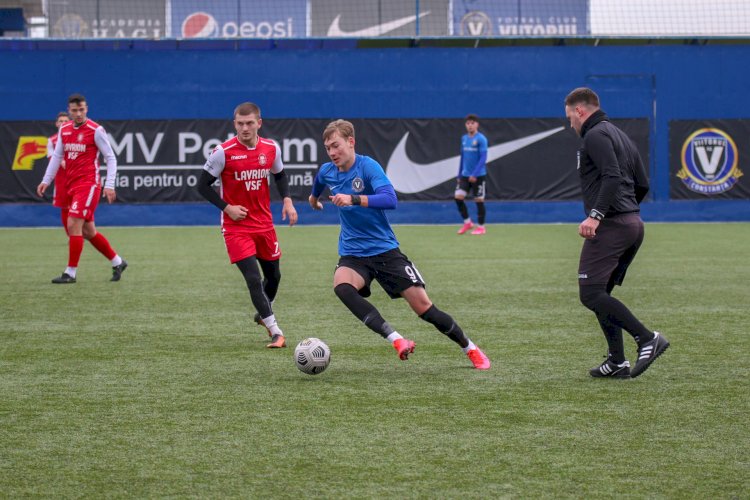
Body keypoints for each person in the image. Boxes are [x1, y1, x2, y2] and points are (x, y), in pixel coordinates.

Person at [309, 119, 490, 369]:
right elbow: (317, 185)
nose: (332, 152)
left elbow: (390, 199)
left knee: (424, 308)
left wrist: (353, 198)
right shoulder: (327, 170)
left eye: (336, 145)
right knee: (342, 286)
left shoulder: (368, 166)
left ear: (351, 142)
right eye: (328, 148)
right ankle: (396, 339)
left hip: (385, 251)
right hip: (353, 253)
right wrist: (313, 200)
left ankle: (469, 347)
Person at [564, 87, 669, 379]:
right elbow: (642, 183)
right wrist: (627, 212)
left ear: (580, 111)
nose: (570, 123)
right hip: (631, 223)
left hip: (612, 225)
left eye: (570, 116)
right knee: (601, 293)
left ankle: (647, 338)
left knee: (590, 294)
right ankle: (617, 361)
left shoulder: (595, 135)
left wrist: (597, 216)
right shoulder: (619, 134)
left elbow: (611, 175)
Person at [198, 102, 298, 349]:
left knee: (274, 276)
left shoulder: (271, 148)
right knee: (253, 278)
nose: (245, 128)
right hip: (236, 228)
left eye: (249, 123)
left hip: (264, 224)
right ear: (234, 124)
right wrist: (227, 208)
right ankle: (276, 331)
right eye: (240, 123)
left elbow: (280, 175)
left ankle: (263, 313)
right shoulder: (223, 152)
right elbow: (201, 186)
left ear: (259, 123)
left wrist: (287, 200)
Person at [37, 94, 128, 284]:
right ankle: (117, 261)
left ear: (86, 109)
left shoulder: (96, 130)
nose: (78, 113)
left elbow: (110, 158)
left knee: (73, 225)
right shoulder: (65, 129)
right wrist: (47, 179)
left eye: (82, 110)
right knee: (88, 231)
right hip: (71, 184)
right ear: (69, 111)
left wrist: (109, 185)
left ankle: (70, 273)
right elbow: (56, 156)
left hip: (88, 185)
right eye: (74, 110)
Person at [455, 114, 489, 235]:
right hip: (465, 175)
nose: (470, 125)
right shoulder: (464, 138)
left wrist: (474, 174)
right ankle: (467, 222)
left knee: (479, 200)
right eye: (468, 123)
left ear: (477, 124)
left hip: (478, 175)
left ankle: (481, 227)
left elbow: (483, 158)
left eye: (472, 123)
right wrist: (459, 175)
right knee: (458, 198)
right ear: (466, 125)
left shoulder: (481, 139)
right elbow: (463, 157)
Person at [48, 111, 71, 234]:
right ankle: (70, 235)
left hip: (77, 178)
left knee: (78, 207)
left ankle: (80, 231)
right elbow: (52, 158)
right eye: (61, 121)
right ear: (57, 124)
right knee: (65, 208)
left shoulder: (76, 137)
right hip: (61, 180)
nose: (63, 123)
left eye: (66, 121)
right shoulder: (52, 140)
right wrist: (61, 161)